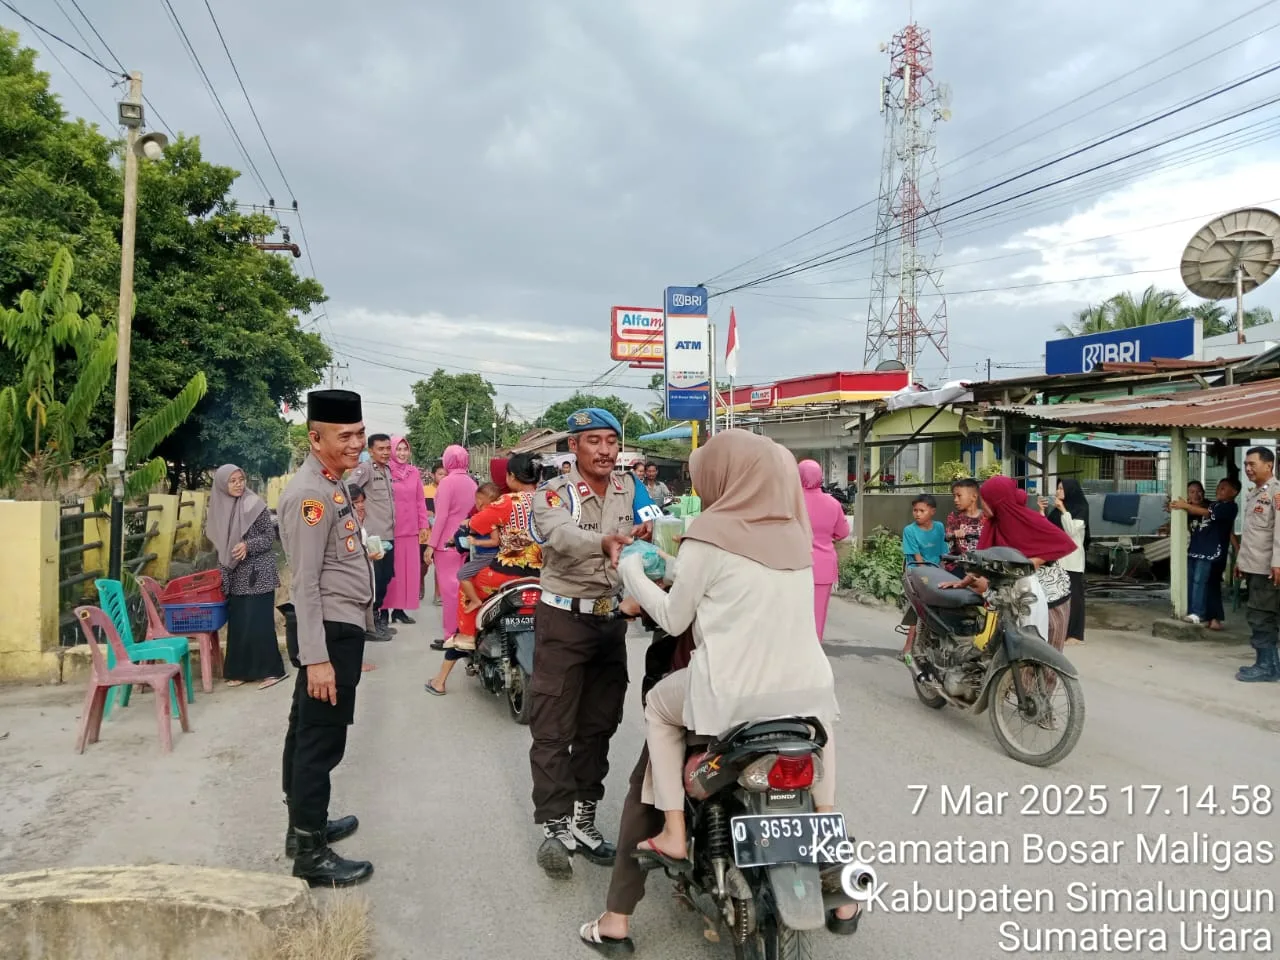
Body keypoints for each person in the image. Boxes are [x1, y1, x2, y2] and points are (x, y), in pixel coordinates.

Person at [578, 430, 854, 954]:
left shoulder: (710, 530)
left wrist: (635, 570)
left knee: (659, 710)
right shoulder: (796, 534)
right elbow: (738, 583)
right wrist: (676, 569)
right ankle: (831, 852)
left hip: (728, 694)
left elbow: (674, 614)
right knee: (817, 728)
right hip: (806, 686)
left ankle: (675, 831)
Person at [527, 407, 659, 878]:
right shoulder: (553, 493)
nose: (605, 450)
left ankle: (584, 817)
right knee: (552, 728)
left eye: (611, 440)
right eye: (594, 441)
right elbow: (559, 536)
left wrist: (648, 533)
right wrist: (606, 541)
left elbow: (653, 523)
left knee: (598, 725)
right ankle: (555, 824)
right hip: (562, 623)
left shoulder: (630, 486)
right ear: (574, 447)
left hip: (610, 623)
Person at [276, 389, 374, 887]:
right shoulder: (311, 495)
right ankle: (310, 855)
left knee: (305, 730)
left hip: (338, 626)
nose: (358, 443)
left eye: (359, 432)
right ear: (315, 438)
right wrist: (317, 658)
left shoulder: (332, 481)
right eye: (346, 435)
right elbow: (305, 581)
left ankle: (304, 828)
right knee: (321, 739)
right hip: (329, 632)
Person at [424, 455, 544, 692]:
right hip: (543, 574)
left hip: (507, 572)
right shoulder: (551, 498)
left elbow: (477, 524)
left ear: (510, 477)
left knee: (466, 584)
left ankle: (468, 634)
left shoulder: (507, 501)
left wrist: (468, 525)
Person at [975, 476, 1076, 692]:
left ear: (997, 501)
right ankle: (1022, 696)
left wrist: (1033, 562)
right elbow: (983, 558)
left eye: (984, 500)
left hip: (1052, 596)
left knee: (1048, 651)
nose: (981, 505)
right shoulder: (993, 525)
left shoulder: (1030, 520)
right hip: (1017, 596)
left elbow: (1063, 543)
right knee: (1017, 647)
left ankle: (1043, 705)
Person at [208, 463, 287, 690]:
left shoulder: (254, 504)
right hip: (234, 575)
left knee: (259, 623)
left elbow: (268, 537)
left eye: (240, 479)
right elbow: (220, 545)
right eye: (232, 481)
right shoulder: (218, 508)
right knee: (240, 625)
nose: (238, 485)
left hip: (257, 572)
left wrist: (247, 545)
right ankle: (241, 671)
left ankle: (273, 670)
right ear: (222, 484)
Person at [425, 445, 478, 650]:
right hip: (466, 542)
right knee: (463, 589)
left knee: (450, 593)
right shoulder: (472, 483)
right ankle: (464, 632)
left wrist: (430, 545)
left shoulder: (447, 483)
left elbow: (441, 517)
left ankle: (451, 635)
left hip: (446, 543)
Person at [1234, 447, 1279, 682]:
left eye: (1252, 464)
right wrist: (1241, 561)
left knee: (1261, 616)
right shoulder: (1254, 493)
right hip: (1253, 565)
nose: (1248, 468)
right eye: (1246, 464)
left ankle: (1266, 667)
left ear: (1268, 465)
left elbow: (1279, 533)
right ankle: (1269, 664)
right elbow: (1252, 534)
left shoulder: (1276, 493)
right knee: (1258, 614)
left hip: (1267, 568)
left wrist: (1278, 564)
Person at [1172, 477, 1241, 630]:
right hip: (1196, 550)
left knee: (1202, 582)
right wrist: (1181, 506)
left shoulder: (1228, 507)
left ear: (1234, 492)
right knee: (1193, 581)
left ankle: (1199, 613)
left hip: (1212, 553)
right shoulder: (1210, 505)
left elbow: (1213, 518)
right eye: (1191, 492)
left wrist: (1238, 549)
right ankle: (1197, 613)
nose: (1218, 489)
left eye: (1199, 491)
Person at [348, 434, 396, 640]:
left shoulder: (386, 471)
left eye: (388, 448)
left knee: (385, 578)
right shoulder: (365, 469)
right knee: (374, 581)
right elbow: (349, 488)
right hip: (373, 536)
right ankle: (370, 626)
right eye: (381, 449)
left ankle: (376, 618)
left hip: (388, 535)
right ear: (371, 450)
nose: (386, 453)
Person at [798, 459, 850, 641]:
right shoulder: (832, 503)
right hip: (823, 567)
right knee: (817, 618)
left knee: (793, 617)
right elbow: (843, 533)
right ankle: (814, 658)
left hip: (794, 566)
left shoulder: (790, 502)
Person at [380, 436, 430, 625]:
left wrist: (424, 525)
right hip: (389, 530)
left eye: (405, 449)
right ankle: (383, 611)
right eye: (398, 449)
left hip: (410, 530)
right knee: (388, 572)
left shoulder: (414, 472)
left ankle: (399, 610)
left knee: (405, 574)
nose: (402, 453)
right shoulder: (384, 471)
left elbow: (419, 500)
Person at [898, 494, 947, 658]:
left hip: (937, 572)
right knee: (917, 608)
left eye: (922, 511)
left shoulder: (939, 527)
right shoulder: (909, 530)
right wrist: (928, 576)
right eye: (915, 511)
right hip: (917, 574)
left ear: (932, 511)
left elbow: (943, 552)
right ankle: (908, 646)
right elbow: (917, 557)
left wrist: (943, 572)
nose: (917, 514)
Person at [1044, 479, 1089, 644]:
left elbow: (1070, 531)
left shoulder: (1080, 509)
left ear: (1070, 490)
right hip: (1058, 560)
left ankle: (1076, 634)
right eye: (1057, 488)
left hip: (1073, 559)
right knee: (1060, 596)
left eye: (1061, 488)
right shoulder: (1056, 511)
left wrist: (1063, 510)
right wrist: (1042, 511)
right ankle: (1062, 631)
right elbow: (1047, 529)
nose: (1058, 491)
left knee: (1075, 597)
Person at [944, 478, 985, 567]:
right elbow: (947, 536)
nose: (955, 499)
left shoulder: (986, 517)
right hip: (958, 563)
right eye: (954, 496)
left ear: (974, 497)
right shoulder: (954, 516)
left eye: (959, 496)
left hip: (983, 565)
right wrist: (954, 534)